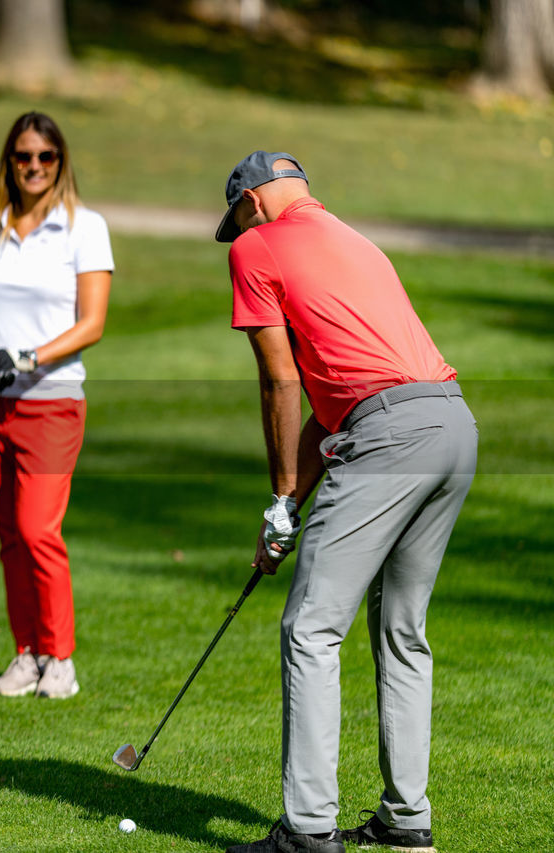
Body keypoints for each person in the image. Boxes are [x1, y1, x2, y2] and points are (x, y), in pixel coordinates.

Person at [216, 151, 477, 853]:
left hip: (389, 438)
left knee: (310, 628)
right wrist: (290, 506)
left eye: (235, 215)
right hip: (451, 424)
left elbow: (280, 379)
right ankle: (406, 816)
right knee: (402, 627)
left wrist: (278, 497)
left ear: (251, 203)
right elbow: (333, 407)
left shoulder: (255, 246)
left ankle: (307, 830)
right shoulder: (352, 241)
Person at [0, 111, 114, 700]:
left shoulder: (84, 228)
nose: (34, 167)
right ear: (8, 162)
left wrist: (31, 357)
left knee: (39, 529)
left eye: (46, 157)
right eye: (22, 157)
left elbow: (92, 323)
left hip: (51, 401)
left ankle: (59, 658)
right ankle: (27, 654)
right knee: (9, 532)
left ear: (60, 163)